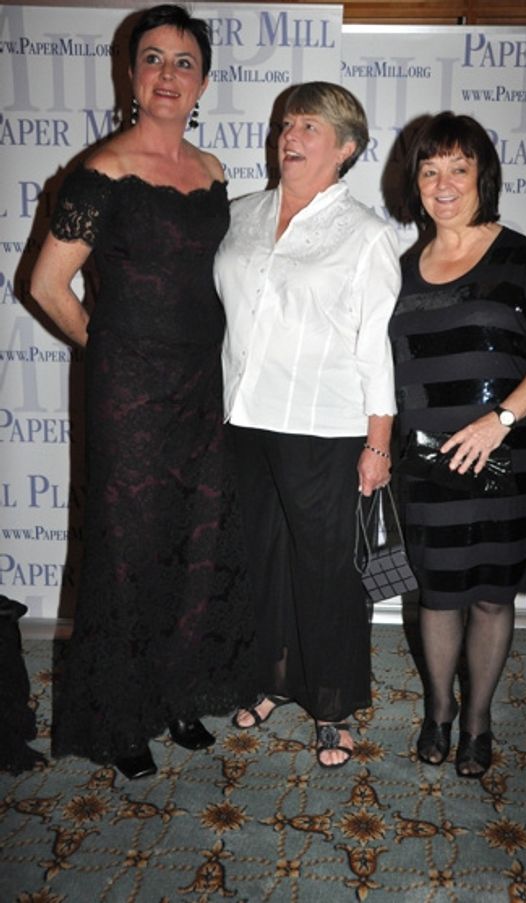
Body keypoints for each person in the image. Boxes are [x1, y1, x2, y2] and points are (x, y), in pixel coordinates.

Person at [30, 4, 255, 780]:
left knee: (198, 541)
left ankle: (177, 695)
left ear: (203, 81)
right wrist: (112, 348)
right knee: (128, 552)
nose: (167, 74)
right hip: (128, 390)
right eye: (152, 58)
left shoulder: (215, 171)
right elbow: (48, 283)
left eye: (183, 62)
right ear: (131, 73)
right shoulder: (101, 170)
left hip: (205, 383)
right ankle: (121, 714)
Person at [213, 82, 401, 768]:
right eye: (288, 123)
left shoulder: (366, 234)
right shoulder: (240, 215)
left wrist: (378, 441)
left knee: (327, 571)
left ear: (346, 148)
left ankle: (334, 701)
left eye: (311, 127)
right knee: (260, 558)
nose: (291, 135)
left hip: (325, 425)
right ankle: (273, 676)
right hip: (244, 419)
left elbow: (374, 343)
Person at [389, 111, 526, 778]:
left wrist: (500, 418)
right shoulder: (399, 268)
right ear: (414, 182)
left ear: (481, 177)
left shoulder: (524, 256)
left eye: (457, 168)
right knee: (438, 594)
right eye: (429, 169)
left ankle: (478, 720)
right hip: (428, 461)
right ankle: (439, 710)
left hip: (509, 452)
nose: (443, 183)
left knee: (494, 594)